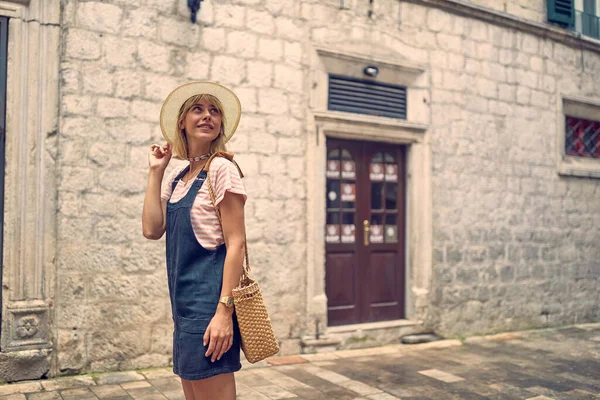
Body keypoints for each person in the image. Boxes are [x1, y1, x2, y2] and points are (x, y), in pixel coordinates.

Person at [142, 82, 246, 400]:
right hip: (183, 308)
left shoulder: (221, 169)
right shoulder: (177, 177)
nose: (207, 116)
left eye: (214, 111)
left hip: (209, 306)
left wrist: (224, 313)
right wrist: (156, 172)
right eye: (197, 109)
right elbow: (151, 229)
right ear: (182, 122)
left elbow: (236, 243)